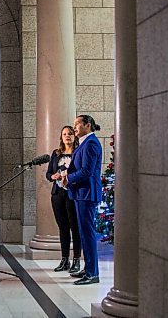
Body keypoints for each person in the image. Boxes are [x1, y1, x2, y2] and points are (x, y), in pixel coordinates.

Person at [62, 115, 102, 285]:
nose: (74, 127)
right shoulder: (84, 143)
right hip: (80, 193)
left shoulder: (91, 143)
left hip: (87, 193)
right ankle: (88, 268)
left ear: (88, 124)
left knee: (88, 234)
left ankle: (92, 273)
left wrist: (69, 178)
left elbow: (87, 171)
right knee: (84, 234)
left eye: (77, 124)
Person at [45, 126, 81, 273]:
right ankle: (64, 259)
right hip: (58, 194)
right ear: (61, 137)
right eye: (65, 134)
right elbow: (48, 173)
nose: (67, 136)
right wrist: (52, 176)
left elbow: (81, 171)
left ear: (74, 136)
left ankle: (77, 260)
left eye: (70, 134)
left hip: (72, 193)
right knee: (63, 228)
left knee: (75, 227)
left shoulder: (78, 152)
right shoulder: (56, 153)